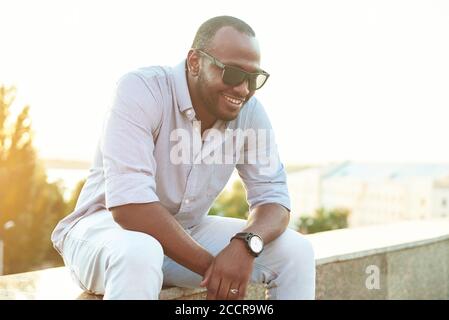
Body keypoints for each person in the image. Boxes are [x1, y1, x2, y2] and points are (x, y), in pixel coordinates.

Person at [51, 15, 315, 300]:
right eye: (233, 74)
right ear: (194, 62)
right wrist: (216, 269)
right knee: (141, 252)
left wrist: (245, 244)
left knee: (296, 251)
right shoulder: (141, 90)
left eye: (253, 78)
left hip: (187, 232)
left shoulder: (250, 113)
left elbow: (274, 199)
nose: (243, 89)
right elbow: (130, 206)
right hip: (102, 232)